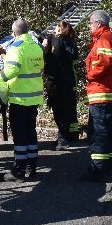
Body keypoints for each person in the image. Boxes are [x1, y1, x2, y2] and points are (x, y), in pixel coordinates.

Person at [0, 19, 44, 180]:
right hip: (34, 96)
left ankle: (19, 169)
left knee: (20, 133)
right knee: (30, 131)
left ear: (14, 33)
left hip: (20, 97)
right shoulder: (36, 46)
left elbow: (10, 72)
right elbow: (40, 67)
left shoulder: (16, 47)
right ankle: (31, 164)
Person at [82, 10, 112, 182]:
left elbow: (103, 63)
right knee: (105, 132)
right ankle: (105, 165)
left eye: (90, 23)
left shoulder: (104, 38)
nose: (89, 26)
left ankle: (98, 170)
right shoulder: (107, 37)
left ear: (97, 23)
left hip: (101, 93)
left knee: (99, 133)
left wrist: (90, 74)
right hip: (106, 92)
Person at [42, 20, 79, 150]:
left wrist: (47, 44)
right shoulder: (71, 43)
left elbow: (53, 59)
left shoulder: (56, 42)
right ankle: (69, 136)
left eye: (56, 28)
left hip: (57, 82)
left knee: (59, 111)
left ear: (60, 30)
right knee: (68, 109)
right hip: (69, 80)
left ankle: (63, 140)